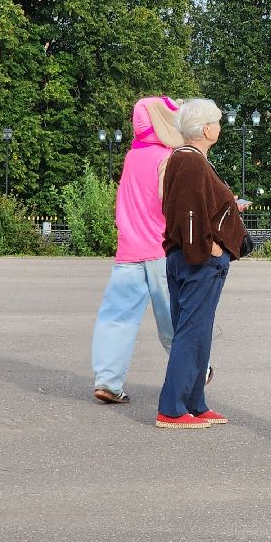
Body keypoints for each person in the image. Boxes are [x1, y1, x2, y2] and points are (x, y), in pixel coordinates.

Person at [155, 99, 248, 428]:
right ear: (206, 128)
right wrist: (209, 249)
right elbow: (190, 212)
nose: (219, 127)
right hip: (197, 260)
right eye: (217, 122)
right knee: (191, 333)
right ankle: (172, 408)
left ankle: (194, 402)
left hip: (186, 257)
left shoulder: (183, 159)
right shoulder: (191, 161)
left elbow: (188, 206)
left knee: (197, 332)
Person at [91, 97, 180, 404]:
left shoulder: (131, 156)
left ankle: (107, 381)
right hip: (160, 250)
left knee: (116, 319)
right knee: (173, 319)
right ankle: (196, 370)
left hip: (128, 250)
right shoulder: (167, 157)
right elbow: (170, 201)